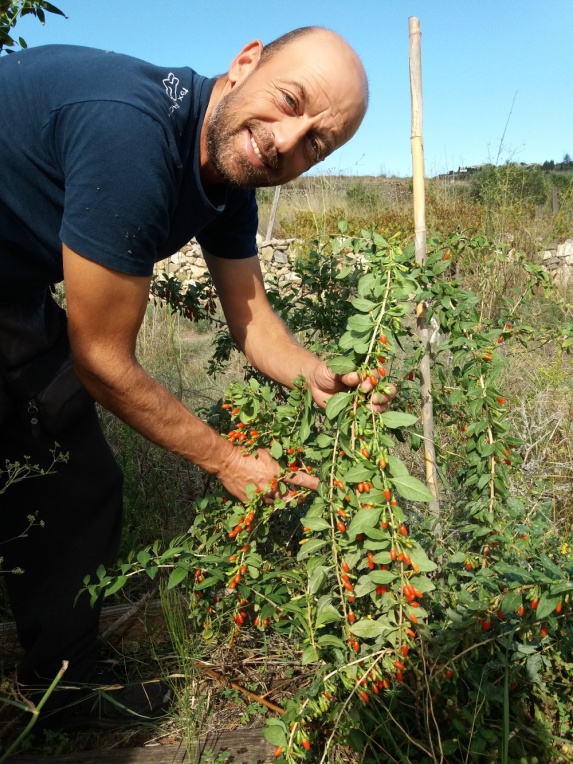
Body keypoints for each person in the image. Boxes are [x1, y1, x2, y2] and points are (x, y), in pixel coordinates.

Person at [0, 26, 393, 727]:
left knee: (76, 478)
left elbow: (253, 322)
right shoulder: (134, 134)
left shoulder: (227, 171)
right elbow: (103, 361)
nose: (284, 140)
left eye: (315, 142)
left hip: (9, 292)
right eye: (289, 101)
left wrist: (317, 374)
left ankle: (61, 690)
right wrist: (225, 459)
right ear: (245, 62)